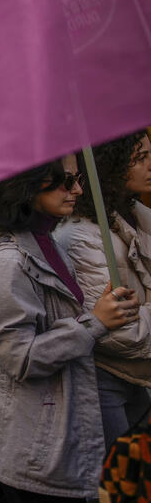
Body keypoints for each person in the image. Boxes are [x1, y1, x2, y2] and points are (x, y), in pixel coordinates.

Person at [0, 157, 139, 503]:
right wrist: (94, 323)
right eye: (64, 181)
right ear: (28, 186)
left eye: (77, 180)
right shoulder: (7, 263)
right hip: (29, 438)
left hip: (48, 428)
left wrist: (101, 310)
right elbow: (21, 358)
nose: (77, 190)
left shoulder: (47, 241)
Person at [55, 133, 151, 448]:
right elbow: (118, 332)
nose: (149, 165)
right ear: (111, 167)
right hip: (104, 378)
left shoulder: (134, 216)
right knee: (113, 482)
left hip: (138, 377)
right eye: (139, 159)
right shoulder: (81, 236)